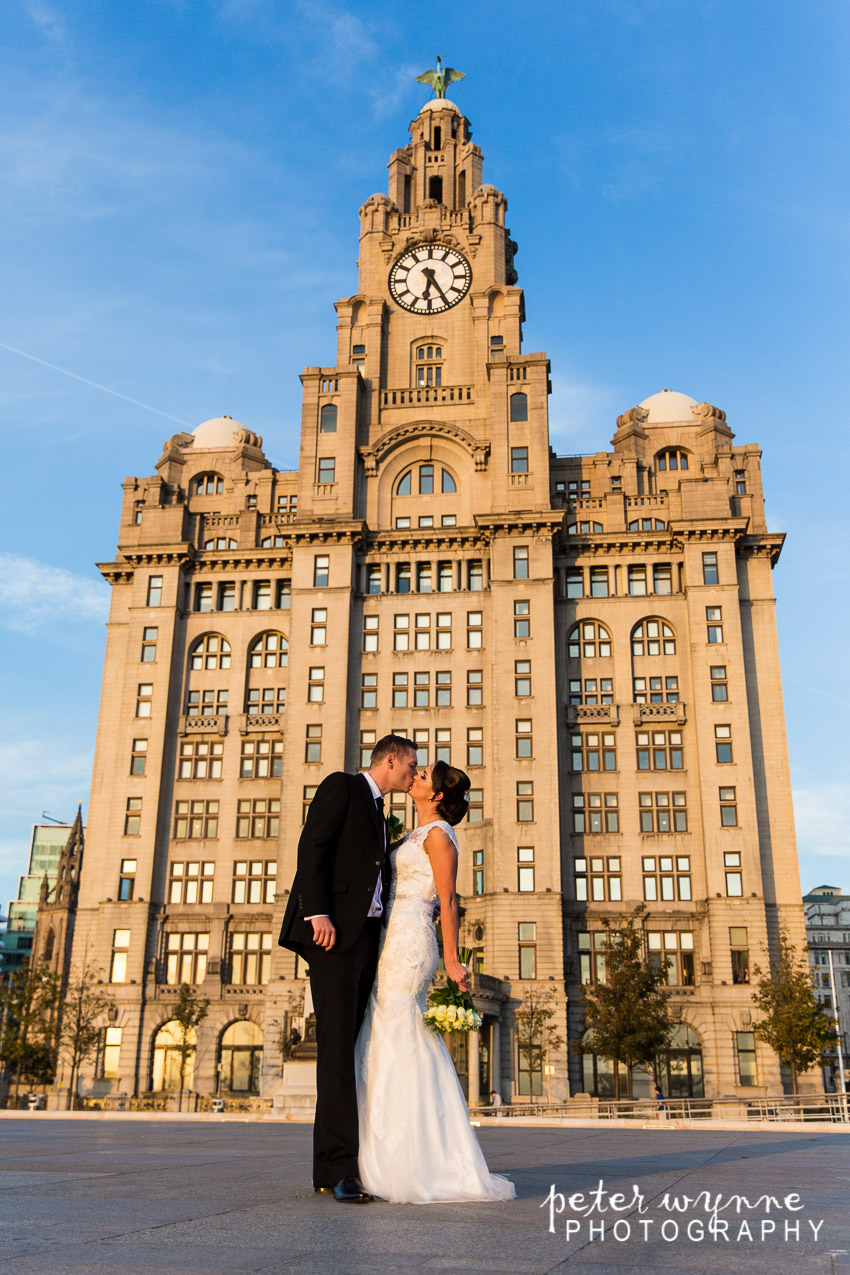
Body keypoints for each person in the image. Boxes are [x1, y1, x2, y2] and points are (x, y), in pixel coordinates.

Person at [355, 761, 516, 1203]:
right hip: (388, 933)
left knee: (400, 1029)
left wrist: (451, 958)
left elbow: (446, 899)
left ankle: (414, 1156)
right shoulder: (411, 834)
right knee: (384, 1029)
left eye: (423, 775)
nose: (415, 777)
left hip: (411, 938)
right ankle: (385, 1147)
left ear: (437, 794)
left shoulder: (440, 836)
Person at [278, 733, 419, 1203]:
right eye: (411, 767)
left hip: (363, 939)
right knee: (336, 1053)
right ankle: (341, 1170)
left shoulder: (380, 811)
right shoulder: (342, 786)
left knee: (349, 1050)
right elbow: (312, 847)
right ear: (391, 759)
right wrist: (316, 911)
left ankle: (329, 1165)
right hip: (331, 934)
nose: (414, 775)